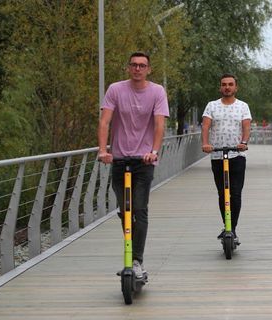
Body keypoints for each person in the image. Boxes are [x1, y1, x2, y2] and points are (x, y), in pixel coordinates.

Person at [98, 51, 169, 279]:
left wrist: (153, 152)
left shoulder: (157, 91)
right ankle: (130, 256)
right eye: (134, 65)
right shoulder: (115, 89)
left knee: (139, 208)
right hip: (119, 159)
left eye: (142, 65)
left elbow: (159, 125)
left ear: (149, 69)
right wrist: (103, 150)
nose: (138, 69)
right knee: (124, 211)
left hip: (143, 161)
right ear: (128, 68)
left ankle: (137, 261)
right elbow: (105, 121)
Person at [201, 74, 251, 243]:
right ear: (220, 87)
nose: (227, 87)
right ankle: (226, 225)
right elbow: (206, 125)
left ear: (236, 87)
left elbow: (246, 126)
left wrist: (243, 142)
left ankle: (232, 228)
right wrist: (205, 144)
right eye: (224, 84)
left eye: (230, 84)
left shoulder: (243, 106)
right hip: (217, 155)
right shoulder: (211, 106)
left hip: (236, 155)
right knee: (223, 194)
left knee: (235, 193)